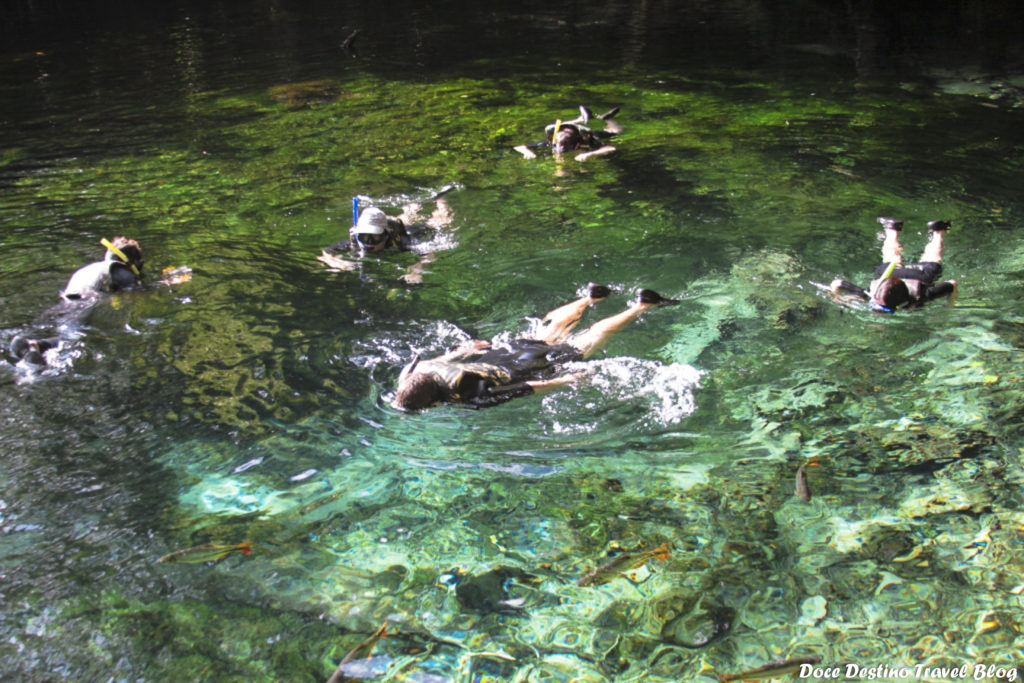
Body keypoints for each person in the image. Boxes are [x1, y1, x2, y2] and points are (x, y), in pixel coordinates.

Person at [392, 284, 679, 411]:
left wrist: (564, 381)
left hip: (527, 366)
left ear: (432, 403)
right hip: (503, 352)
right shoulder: (414, 372)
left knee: (587, 340)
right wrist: (465, 350)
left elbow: (523, 388)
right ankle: (589, 298)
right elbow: (444, 358)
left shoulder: (467, 396)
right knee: (547, 331)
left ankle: (643, 305)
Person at [8, 236, 144, 364]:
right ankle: (37, 370)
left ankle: (33, 345)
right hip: (86, 304)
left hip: (65, 304)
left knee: (66, 333)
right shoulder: (121, 271)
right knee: (74, 342)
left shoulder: (88, 269)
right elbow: (137, 293)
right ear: (131, 263)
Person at [318, 190, 455, 283]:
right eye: (364, 237)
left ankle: (439, 198)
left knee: (439, 222)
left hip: (404, 230)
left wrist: (415, 271)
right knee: (405, 216)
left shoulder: (402, 241)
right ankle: (412, 207)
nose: (369, 243)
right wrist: (335, 262)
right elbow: (326, 251)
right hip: (385, 224)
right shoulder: (355, 242)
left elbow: (428, 254)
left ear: (385, 235)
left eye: (375, 237)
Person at [828, 217, 956, 312]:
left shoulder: (921, 296)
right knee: (891, 257)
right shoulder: (870, 294)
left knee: (932, 259)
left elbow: (952, 283)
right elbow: (837, 283)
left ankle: (938, 231)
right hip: (894, 274)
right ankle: (892, 229)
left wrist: (837, 300)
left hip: (918, 277)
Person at [514, 105, 621, 162]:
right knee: (556, 128)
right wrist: (527, 152)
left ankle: (607, 118)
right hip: (566, 130)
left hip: (587, 135)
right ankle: (581, 118)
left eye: (566, 150)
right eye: (557, 147)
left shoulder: (587, 142)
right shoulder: (552, 143)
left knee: (616, 132)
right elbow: (519, 147)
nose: (559, 151)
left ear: (577, 145)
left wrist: (589, 154)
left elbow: (611, 148)